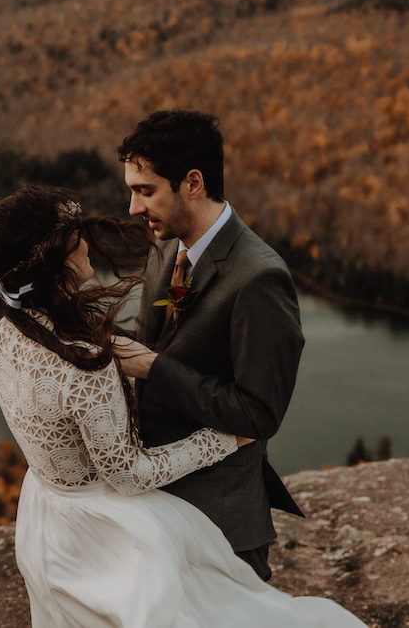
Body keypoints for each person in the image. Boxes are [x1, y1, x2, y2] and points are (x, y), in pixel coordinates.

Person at [0, 184, 364, 626]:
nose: (85, 242)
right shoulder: (84, 364)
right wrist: (223, 440)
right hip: (106, 530)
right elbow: (127, 474)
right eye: (75, 237)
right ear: (57, 261)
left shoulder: (6, 335)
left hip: (46, 518)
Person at [116, 108, 305, 582]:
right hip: (156, 510)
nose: (134, 209)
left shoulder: (260, 277)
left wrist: (153, 369)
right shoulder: (165, 245)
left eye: (145, 191)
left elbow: (260, 413)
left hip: (221, 525)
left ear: (193, 182)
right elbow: (153, 341)